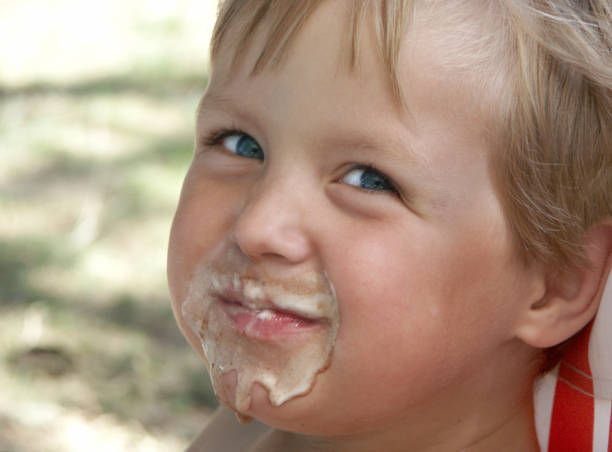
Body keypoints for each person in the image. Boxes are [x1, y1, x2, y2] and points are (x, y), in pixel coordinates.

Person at [166, 0, 612, 450]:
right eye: (241, 144)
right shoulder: (242, 436)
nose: (257, 227)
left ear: (555, 283)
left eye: (369, 180)